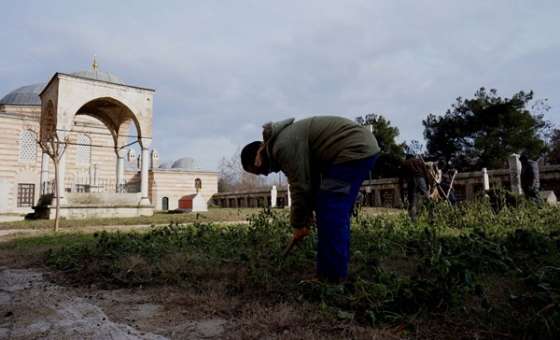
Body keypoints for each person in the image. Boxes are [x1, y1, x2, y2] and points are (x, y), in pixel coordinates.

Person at [241, 116, 380, 282]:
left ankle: (331, 278)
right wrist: (306, 217)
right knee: (332, 208)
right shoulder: (284, 143)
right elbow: (312, 182)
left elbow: (300, 187)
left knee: (330, 209)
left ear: (258, 156)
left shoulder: (282, 147)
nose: (263, 174)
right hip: (358, 149)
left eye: (257, 171)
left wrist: (298, 224)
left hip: (353, 149)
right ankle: (337, 267)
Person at [399, 155, 431, 221]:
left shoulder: (405, 163)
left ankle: (413, 219)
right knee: (427, 198)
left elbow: (401, 177)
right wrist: (428, 184)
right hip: (421, 179)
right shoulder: (420, 161)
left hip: (411, 180)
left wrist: (401, 186)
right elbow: (426, 173)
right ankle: (432, 216)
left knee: (412, 200)